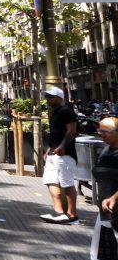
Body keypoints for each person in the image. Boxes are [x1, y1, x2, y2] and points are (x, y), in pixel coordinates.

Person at [39, 86, 80, 224]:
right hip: (53, 154)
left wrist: (62, 146)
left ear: (59, 97)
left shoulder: (66, 111)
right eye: (46, 97)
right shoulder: (55, 112)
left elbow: (71, 130)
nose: (47, 99)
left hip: (65, 154)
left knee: (67, 183)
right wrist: (49, 150)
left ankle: (72, 215)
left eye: (50, 96)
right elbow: (56, 134)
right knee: (50, 180)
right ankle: (59, 212)